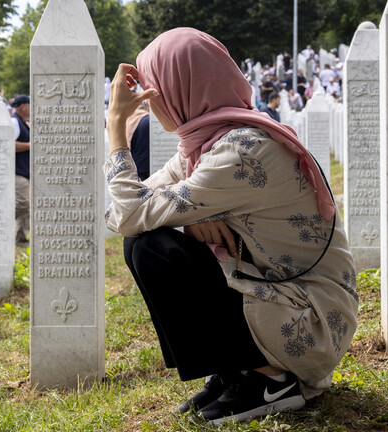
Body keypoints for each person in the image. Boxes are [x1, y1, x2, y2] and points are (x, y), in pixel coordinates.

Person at [104, 28, 357, 424]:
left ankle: (271, 381)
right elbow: (120, 216)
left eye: (152, 92)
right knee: (143, 243)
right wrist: (199, 215)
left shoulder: (241, 148)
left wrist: (116, 126)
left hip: (311, 323)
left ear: (180, 87)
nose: (149, 106)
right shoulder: (202, 145)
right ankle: (235, 369)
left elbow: (131, 212)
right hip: (281, 297)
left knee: (153, 248)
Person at [11, 94, 31, 248]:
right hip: (17, 171)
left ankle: (20, 240)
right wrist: (30, 145)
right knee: (23, 203)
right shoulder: (14, 122)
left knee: (26, 209)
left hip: (25, 171)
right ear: (23, 106)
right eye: (29, 105)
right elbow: (10, 144)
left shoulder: (23, 123)